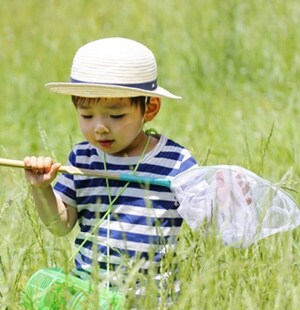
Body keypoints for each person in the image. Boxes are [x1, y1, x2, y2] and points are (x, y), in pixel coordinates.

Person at [23, 37, 197, 296]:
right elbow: (60, 225)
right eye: (86, 115)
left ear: (149, 109)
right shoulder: (83, 160)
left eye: (116, 115)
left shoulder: (175, 162)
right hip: (90, 304)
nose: (100, 127)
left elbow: (210, 218)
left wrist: (226, 197)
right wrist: (42, 189)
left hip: (152, 307)